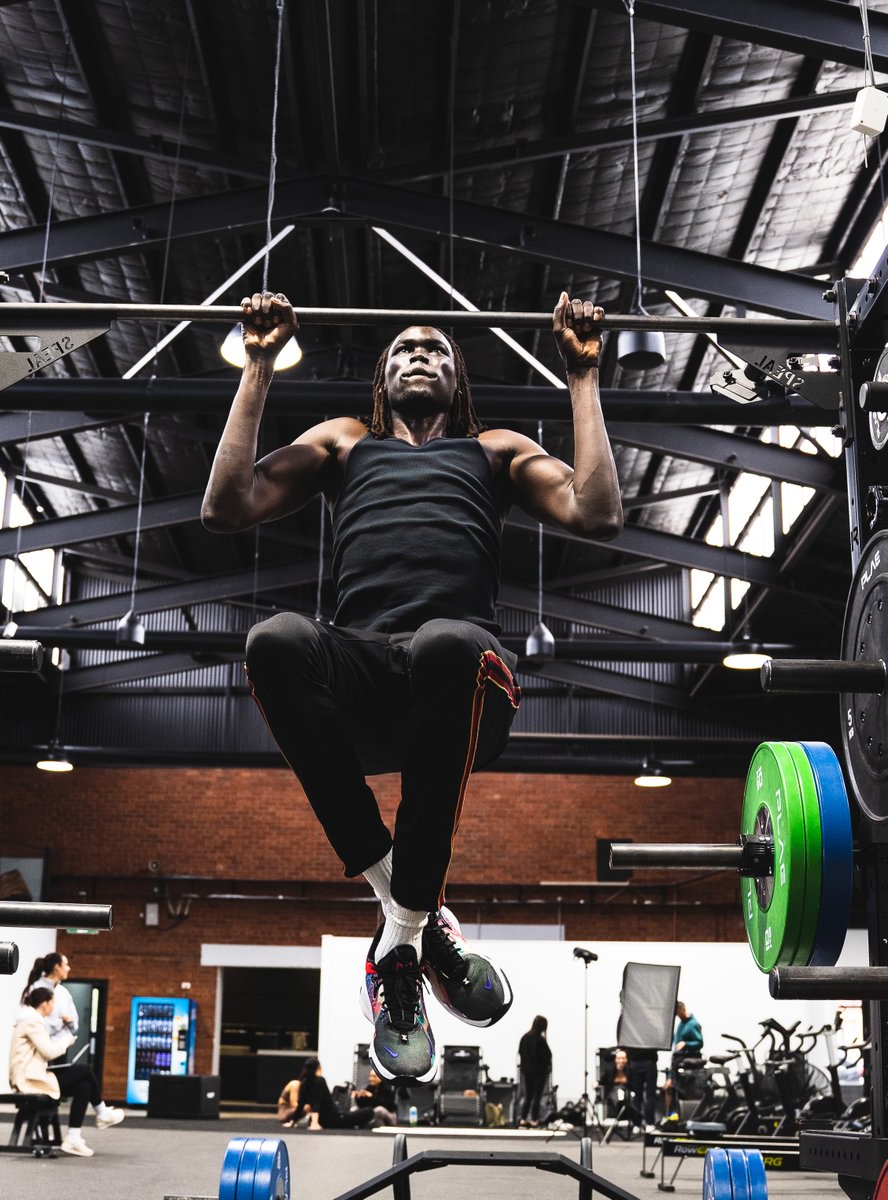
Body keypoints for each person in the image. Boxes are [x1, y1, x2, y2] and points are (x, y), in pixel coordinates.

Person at [202, 291, 622, 1083]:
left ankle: (396, 943)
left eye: (433, 350)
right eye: (400, 351)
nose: (416, 356)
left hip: (464, 687)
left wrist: (582, 378)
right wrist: (257, 365)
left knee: (446, 642)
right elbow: (225, 506)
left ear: (458, 378)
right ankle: (415, 931)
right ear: (381, 381)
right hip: (359, 682)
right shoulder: (345, 444)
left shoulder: (494, 449)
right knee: (275, 640)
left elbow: (597, 512)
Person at [9, 986, 125, 1158]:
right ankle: (102, 1112)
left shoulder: (31, 1020)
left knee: (84, 1087)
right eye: (52, 1004)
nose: (53, 1008)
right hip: (29, 1080)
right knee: (85, 1070)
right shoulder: (33, 1022)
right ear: (45, 1003)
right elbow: (48, 1052)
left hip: (34, 1076)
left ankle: (73, 1137)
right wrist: (66, 1042)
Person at [293, 1056, 374, 1130]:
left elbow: (300, 1104)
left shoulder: (304, 1083)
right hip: (336, 1120)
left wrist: (292, 1122)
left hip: (324, 1121)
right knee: (369, 1111)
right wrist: (314, 1123)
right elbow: (317, 1103)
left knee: (350, 1113)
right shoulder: (319, 1081)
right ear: (318, 1068)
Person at [21, 952, 78, 1044]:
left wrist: (69, 1022)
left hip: (60, 1049)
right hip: (39, 1047)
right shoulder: (35, 988)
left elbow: (74, 1023)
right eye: (66, 965)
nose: (69, 968)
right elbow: (29, 1022)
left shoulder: (64, 993)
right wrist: (59, 1023)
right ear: (57, 967)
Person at [664, 1000, 704, 1118]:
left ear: (682, 1009)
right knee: (669, 1088)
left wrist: (686, 1044)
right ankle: (671, 1115)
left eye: (677, 1013)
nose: (676, 1016)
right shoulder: (681, 1024)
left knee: (678, 1090)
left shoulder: (693, 1024)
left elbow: (700, 1042)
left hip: (688, 1065)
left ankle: (680, 1116)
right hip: (678, 1062)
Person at [518, 1014, 553, 1127]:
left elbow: (520, 1053)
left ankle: (523, 1119)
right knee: (537, 1096)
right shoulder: (540, 1040)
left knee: (527, 1096)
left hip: (526, 1072)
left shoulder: (525, 1037)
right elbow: (547, 1056)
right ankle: (534, 1119)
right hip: (539, 1073)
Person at [624, 1046, 659, 1132]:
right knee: (649, 1095)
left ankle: (637, 1124)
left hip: (635, 1062)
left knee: (638, 1095)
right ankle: (649, 1124)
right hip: (648, 1061)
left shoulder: (631, 1032)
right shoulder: (652, 1032)